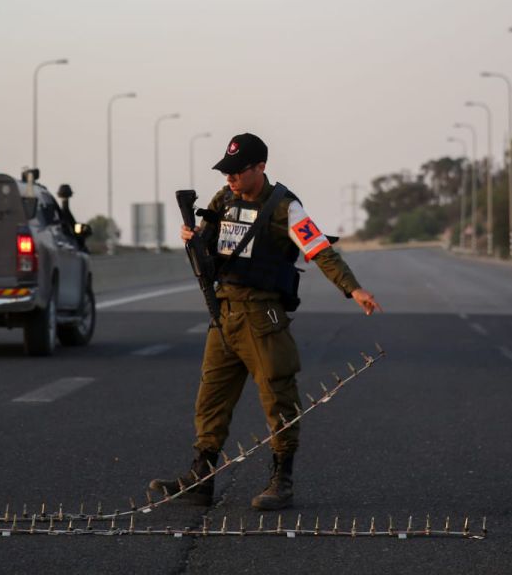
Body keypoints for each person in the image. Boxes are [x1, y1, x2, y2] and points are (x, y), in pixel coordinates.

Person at [148, 132, 382, 511]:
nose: (230, 179)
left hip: (262, 318)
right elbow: (208, 246)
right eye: (227, 172)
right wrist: (192, 237)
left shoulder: (285, 208)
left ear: (260, 168)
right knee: (211, 400)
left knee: (278, 397)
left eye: (238, 172)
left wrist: (353, 289)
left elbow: (320, 250)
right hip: (224, 315)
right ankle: (201, 477)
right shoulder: (222, 201)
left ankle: (281, 480)